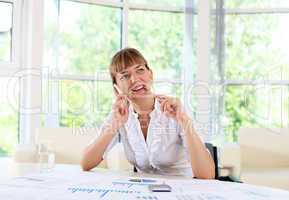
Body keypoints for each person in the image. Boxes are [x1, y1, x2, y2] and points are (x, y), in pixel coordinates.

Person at [81, 48, 215, 179]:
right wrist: (115, 124)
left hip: (183, 190)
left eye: (140, 70)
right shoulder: (120, 113)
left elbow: (207, 175)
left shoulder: (174, 109)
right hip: (144, 191)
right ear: (116, 87)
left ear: (150, 74)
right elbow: (86, 163)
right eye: (125, 76)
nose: (134, 79)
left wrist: (184, 120)